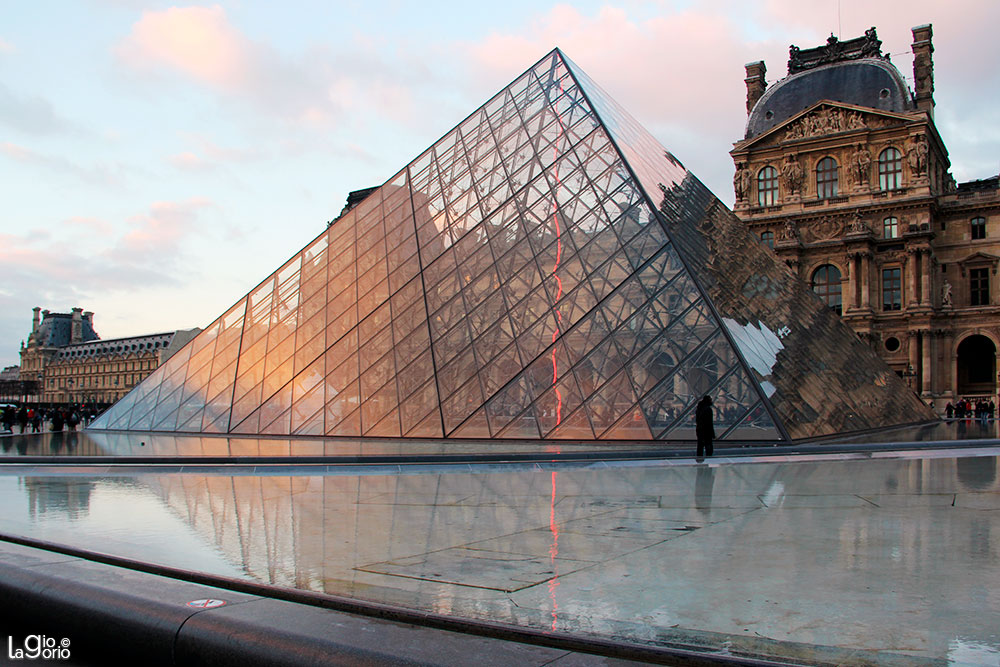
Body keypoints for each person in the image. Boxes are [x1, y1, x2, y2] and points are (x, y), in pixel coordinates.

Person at [695, 395, 716, 459]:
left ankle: (699, 460)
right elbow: (710, 423)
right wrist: (713, 434)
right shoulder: (708, 409)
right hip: (707, 431)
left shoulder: (699, 409)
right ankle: (708, 460)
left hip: (699, 430)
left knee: (700, 447)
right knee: (709, 447)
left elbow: (697, 420)